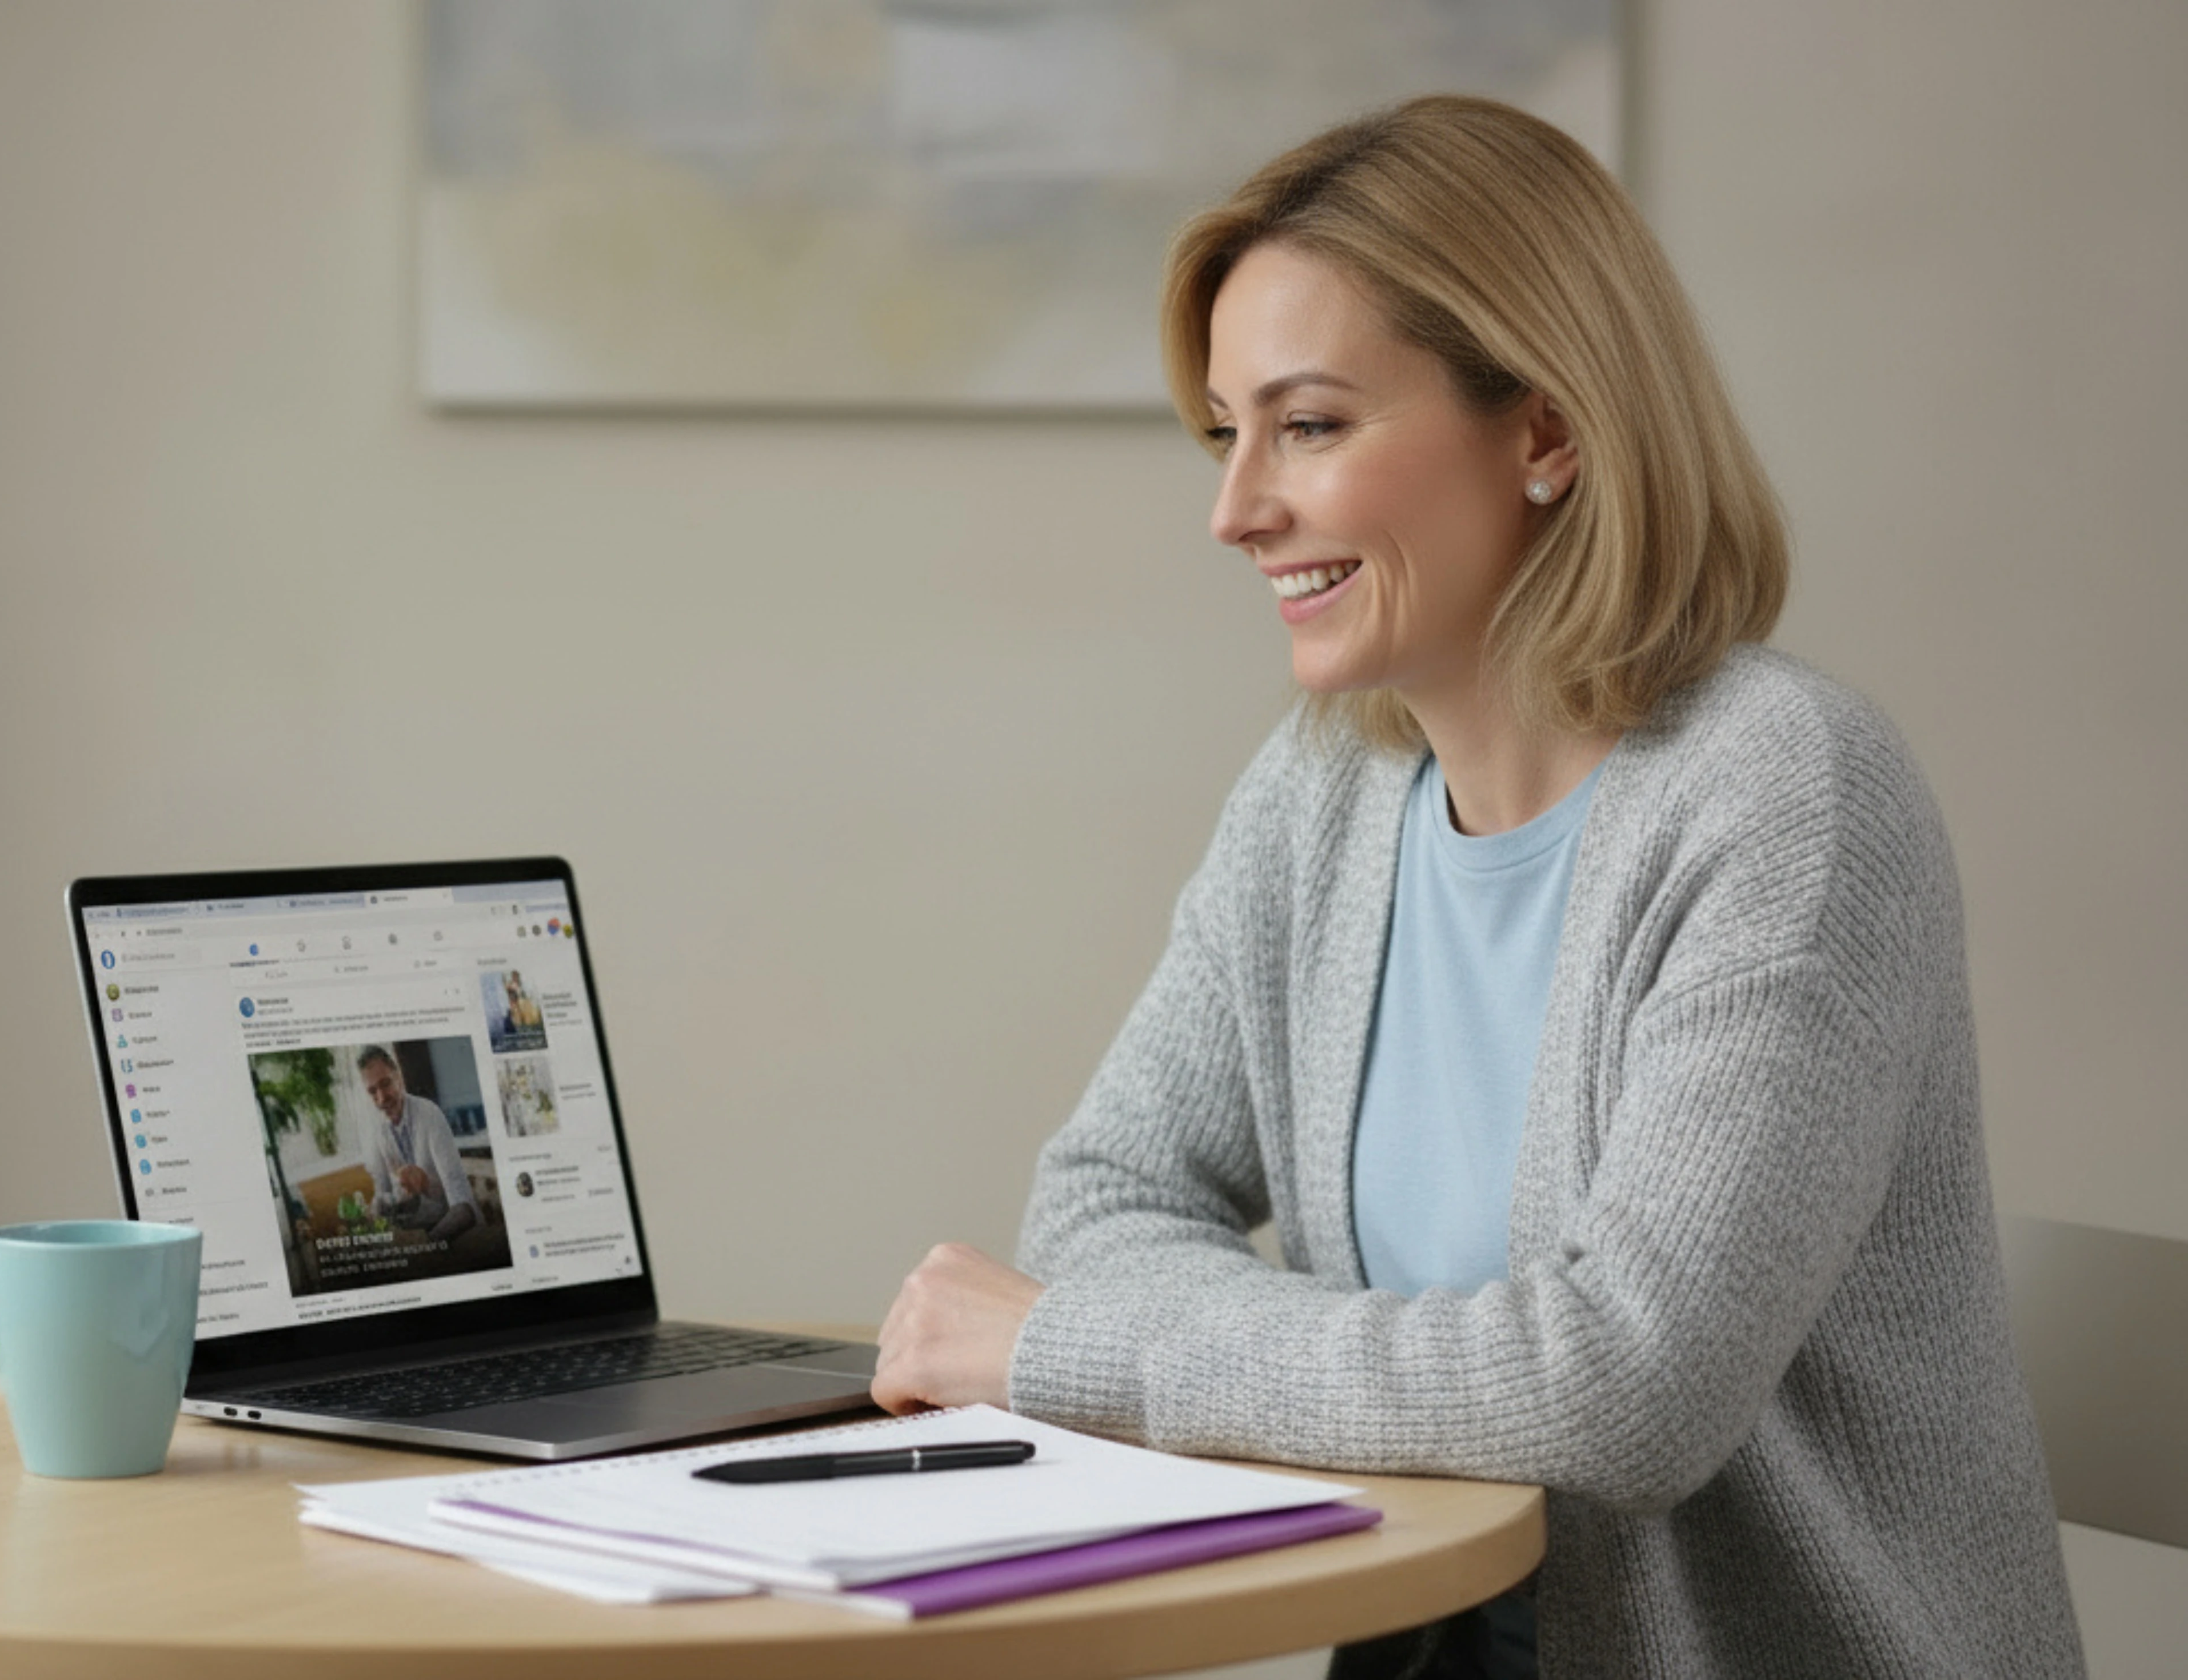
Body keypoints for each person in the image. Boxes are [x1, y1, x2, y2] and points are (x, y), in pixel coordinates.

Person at [871, 95, 2082, 1679]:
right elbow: (1103, 1202)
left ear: (1548, 430)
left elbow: (1619, 1391)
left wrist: (1071, 1349)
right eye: (1225, 431)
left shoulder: (1788, 795)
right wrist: (1350, 1355)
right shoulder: (1321, 792)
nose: (1236, 509)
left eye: (1308, 426)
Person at [357, 1045, 477, 1244]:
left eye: (386, 1084)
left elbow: (463, 1204)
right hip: (420, 1234)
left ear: (400, 1077)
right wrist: (380, 1205)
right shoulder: (378, 1130)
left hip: (460, 1236)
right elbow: (385, 1191)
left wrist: (428, 1243)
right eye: (372, 1092)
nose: (381, 1098)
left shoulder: (430, 1115)